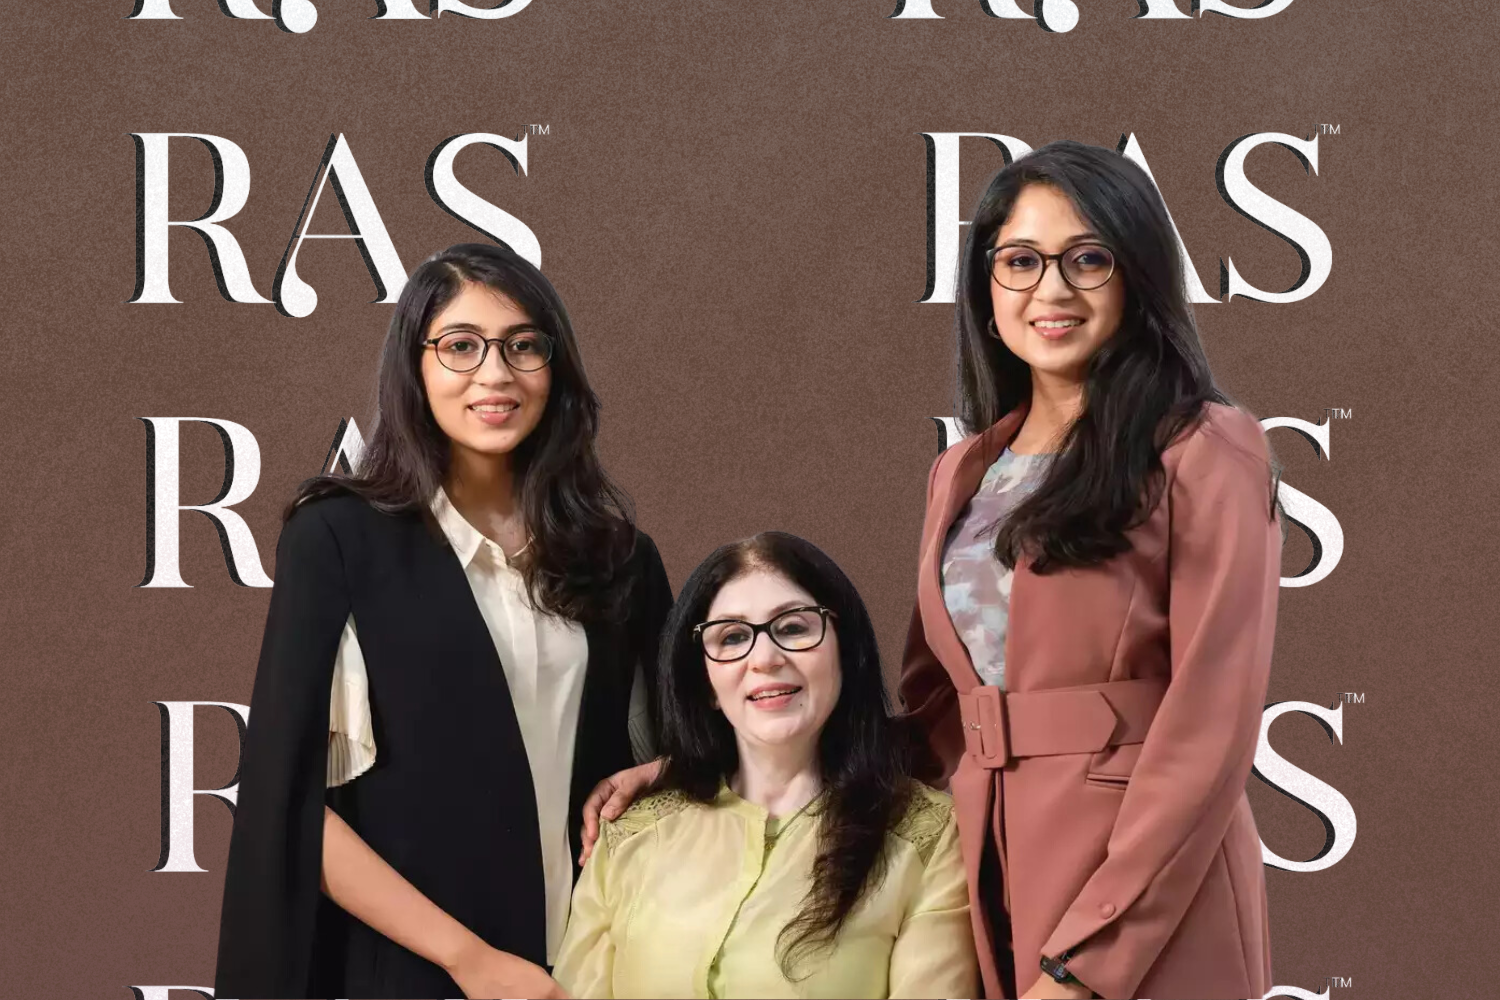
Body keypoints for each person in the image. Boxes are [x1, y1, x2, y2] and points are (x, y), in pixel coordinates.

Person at [580, 141, 1282, 1000]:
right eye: (1020, 261)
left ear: (1136, 278)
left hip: (1141, 871)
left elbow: (1209, 727)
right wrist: (706, 765)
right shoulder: (964, 471)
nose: (1051, 289)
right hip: (986, 856)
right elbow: (931, 718)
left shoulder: (1204, 449)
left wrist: (1087, 962)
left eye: (1087, 259)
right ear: (986, 291)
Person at [213, 243, 673, 999]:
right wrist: (472, 963)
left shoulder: (617, 556)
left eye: (524, 346)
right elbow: (292, 806)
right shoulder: (339, 536)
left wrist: (663, 770)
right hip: (412, 972)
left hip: (596, 966)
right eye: (460, 346)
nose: (495, 374)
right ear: (414, 367)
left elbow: (697, 748)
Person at [554, 532, 979, 999]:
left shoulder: (930, 838)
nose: (765, 658)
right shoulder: (627, 835)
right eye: (732, 637)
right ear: (706, 684)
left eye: (794, 627)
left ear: (844, 652)